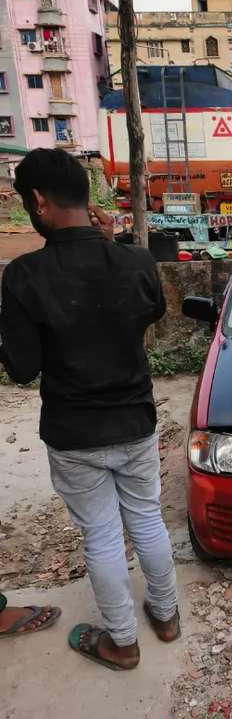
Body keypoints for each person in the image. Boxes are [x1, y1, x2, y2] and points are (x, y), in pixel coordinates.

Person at [0, 149, 179, 671]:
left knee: (101, 534)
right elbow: (153, 308)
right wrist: (112, 244)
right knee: (146, 519)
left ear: (38, 201)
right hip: (135, 422)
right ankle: (165, 617)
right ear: (86, 197)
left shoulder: (25, 276)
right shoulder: (134, 261)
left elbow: (24, 369)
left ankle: (122, 642)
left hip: (75, 433)